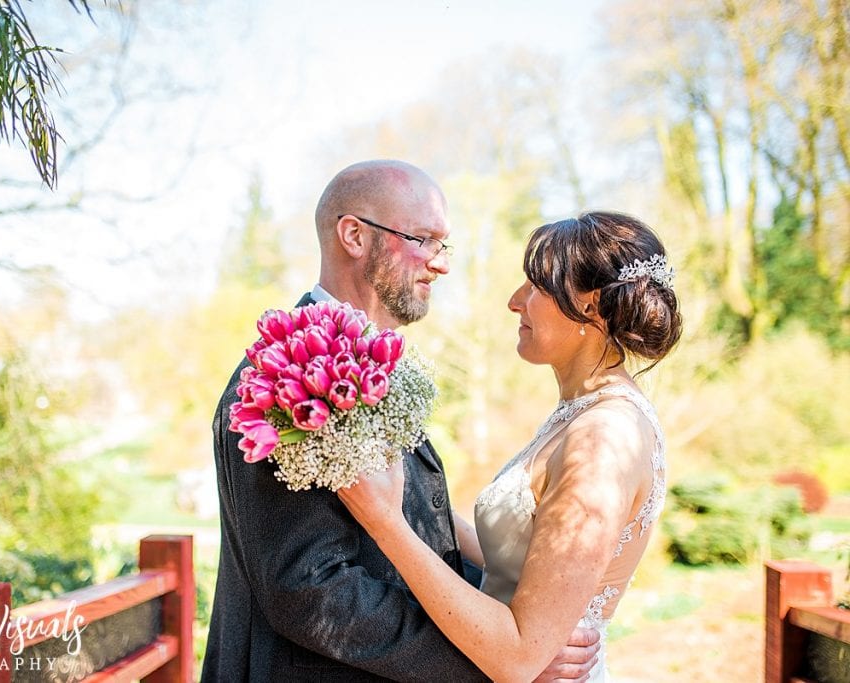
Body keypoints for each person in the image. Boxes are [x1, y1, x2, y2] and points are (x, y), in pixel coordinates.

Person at [203, 160, 600, 681]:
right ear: (354, 236)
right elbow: (311, 590)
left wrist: (518, 629)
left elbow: (413, 527)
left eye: (444, 244)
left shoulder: (370, 367)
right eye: (424, 239)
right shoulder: (281, 381)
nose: (441, 264)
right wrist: (494, 658)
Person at [339, 211, 683, 682]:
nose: (514, 301)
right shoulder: (584, 413)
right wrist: (405, 489)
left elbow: (520, 656)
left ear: (591, 305)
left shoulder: (603, 439)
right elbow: (522, 558)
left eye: (536, 286)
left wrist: (386, 525)